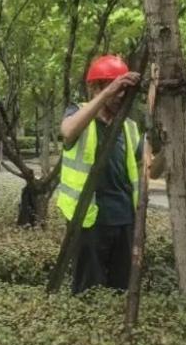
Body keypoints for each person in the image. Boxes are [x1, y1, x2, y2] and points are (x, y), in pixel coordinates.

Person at [58, 54, 163, 294]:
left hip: (125, 218)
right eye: (115, 89)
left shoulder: (129, 126)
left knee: (121, 288)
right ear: (94, 88)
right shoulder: (78, 113)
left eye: (125, 91)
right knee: (89, 289)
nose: (121, 96)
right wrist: (107, 93)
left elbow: (151, 171)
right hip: (88, 217)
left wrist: (170, 148)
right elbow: (68, 131)